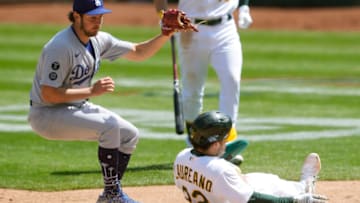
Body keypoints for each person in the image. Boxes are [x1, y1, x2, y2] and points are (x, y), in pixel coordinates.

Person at [27, 0, 195, 202]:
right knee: (110, 128)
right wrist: (92, 90)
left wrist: (164, 35)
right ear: (76, 16)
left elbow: (138, 52)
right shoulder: (60, 47)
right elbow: (48, 94)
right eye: (92, 18)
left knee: (129, 134)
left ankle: (110, 195)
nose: (97, 22)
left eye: (100, 17)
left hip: (75, 107)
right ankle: (113, 195)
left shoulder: (98, 40)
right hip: (46, 114)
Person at [173, 111, 329, 203]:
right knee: (267, 184)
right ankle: (303, 189)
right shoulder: (221, 170)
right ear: (214, 145)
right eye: (224, 140)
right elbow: (252, 199)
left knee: (256, 178)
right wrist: (292, 201)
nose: (226, 144)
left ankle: (301, 188)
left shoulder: (181, 157)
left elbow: (202, 169)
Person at [154, 0, 253, 142]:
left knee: (232, 79)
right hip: (189, 28)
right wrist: (163, 17)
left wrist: (244, 6)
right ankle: (195, 141)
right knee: (192, 88)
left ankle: (227, 139)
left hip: (225, 28)